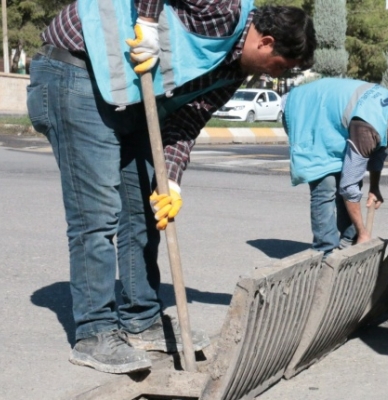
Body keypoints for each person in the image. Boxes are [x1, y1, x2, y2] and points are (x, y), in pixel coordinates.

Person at [26, 0, 315, 374]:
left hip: (126, 95)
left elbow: (184, 125)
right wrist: (145, 22)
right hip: (75, 70)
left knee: (146, 213)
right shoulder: (224, 7)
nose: (273, 78)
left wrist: (172, 183)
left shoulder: (231, 73)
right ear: (267, 43)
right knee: (97, 216)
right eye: (281, 68)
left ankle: (141, 319)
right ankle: (94, 332)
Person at [283, 78, 388, 255]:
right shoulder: (368, 125)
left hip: (333, 116)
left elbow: (377, 151)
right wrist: (363, 232)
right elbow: (349, 186)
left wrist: (374, 188)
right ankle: (325, 253)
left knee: (349, 179)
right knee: (326, 184)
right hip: (308, 110)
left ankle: (348, 245)